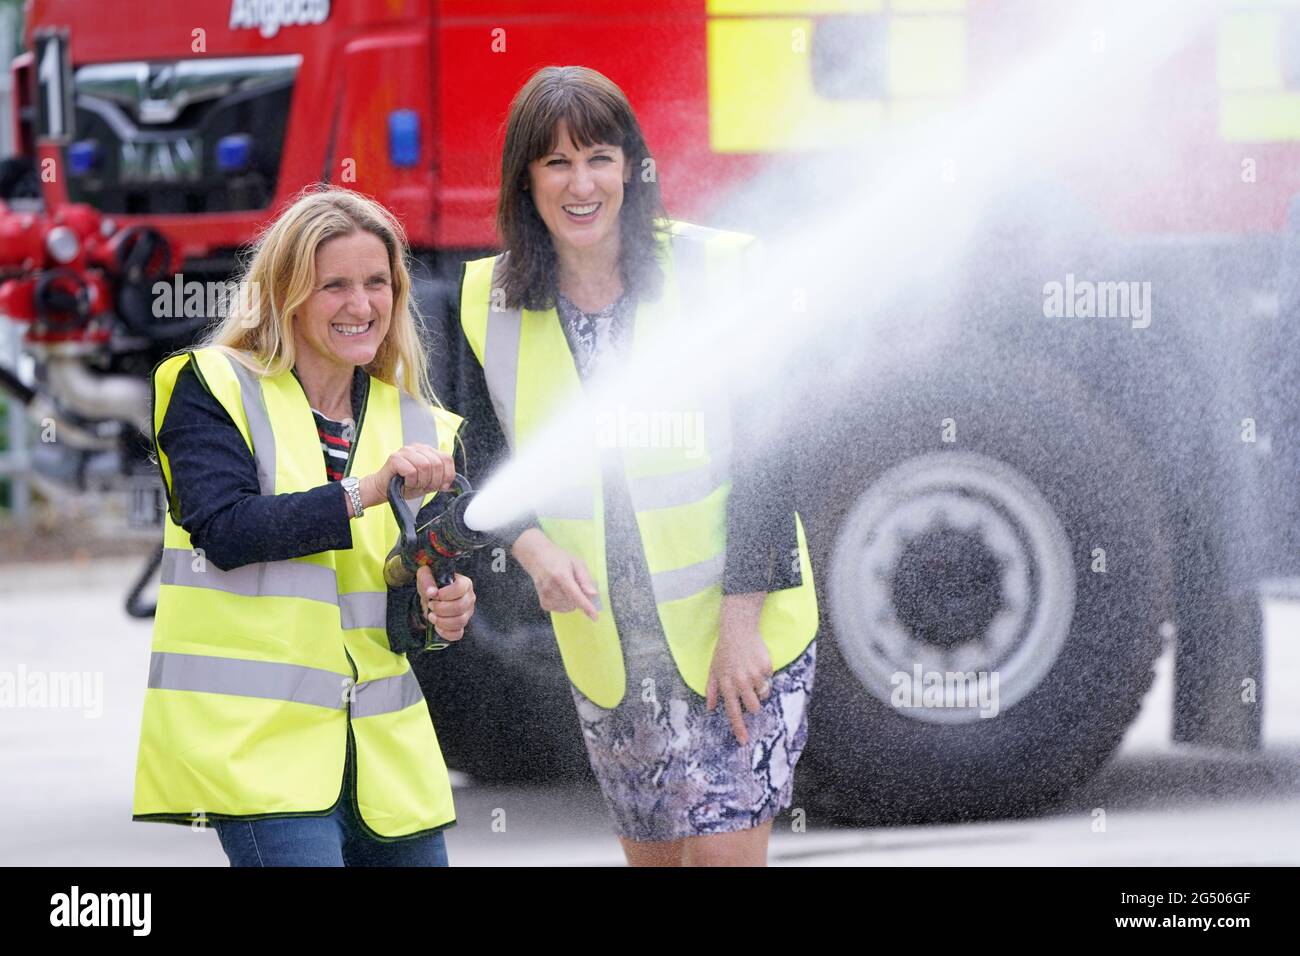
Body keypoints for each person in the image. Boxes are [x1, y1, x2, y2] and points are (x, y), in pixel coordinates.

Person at [443, 66, 819, 866]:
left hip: (735, 627)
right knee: (660, 864)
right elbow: (483, 455)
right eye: (556, 163)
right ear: (526, 181)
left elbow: (772, 445)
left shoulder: (714, 273)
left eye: (599, 158)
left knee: (719, 857)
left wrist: (743, 622)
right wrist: (534, 550)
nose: (581, 184)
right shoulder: (489, 301)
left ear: (631, 167)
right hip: (616, 652)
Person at [132, 186, 477, 867]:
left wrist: (442, 610)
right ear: (285, 295)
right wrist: (366, 490)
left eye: (377, 282)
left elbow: (395, 596)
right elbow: (228, 530)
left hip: (385, 761)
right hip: (262, 755)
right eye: (334, 286)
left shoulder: (422, 424)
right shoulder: (211, 387)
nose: (361, 305)